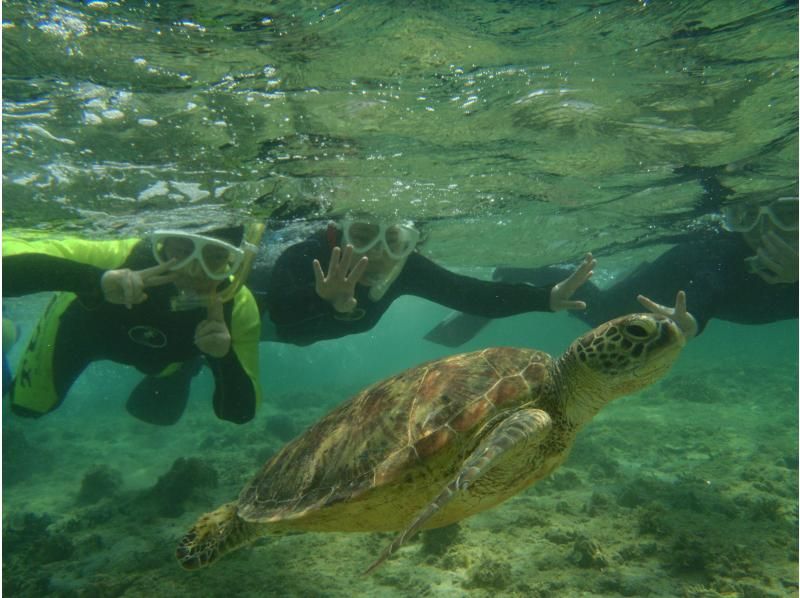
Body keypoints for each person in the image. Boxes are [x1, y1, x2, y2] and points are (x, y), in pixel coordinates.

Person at [425, 195, 798, 346]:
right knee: (603, 314)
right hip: (677, 271)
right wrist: (690, 322)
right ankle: (545, 274)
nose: (764, 231)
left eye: (787, 214)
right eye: (746, 216)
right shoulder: (723, 254)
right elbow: (708, 289)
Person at [2, 224, 265, 425]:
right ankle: (8, 332)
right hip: (82, 330)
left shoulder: (236, 304)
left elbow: (238, 413)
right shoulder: (120, 256)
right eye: (182, 251)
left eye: (215, 257)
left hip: (165, 356)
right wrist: (93, 281)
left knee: (159, 413)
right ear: (161, 245)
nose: (193, 271)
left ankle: (184, 367)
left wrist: (223, 357)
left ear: (232, 261)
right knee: (28, 406)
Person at [261, 216, 596, 346]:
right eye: (362, 236)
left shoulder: (404, 266)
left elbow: (470, 296)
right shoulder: (307, 256)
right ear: (337, 234)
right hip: (261, 320)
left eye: (392, 241)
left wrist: (546, 298)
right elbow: (282, 319)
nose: (377, 254)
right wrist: (320, 298)